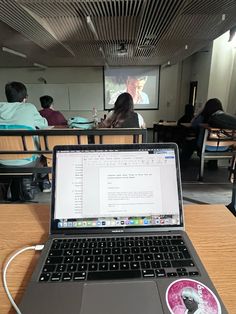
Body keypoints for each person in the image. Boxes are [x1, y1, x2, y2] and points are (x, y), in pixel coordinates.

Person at [0, 82, 50, 195]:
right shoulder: (29, 108)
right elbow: (44, 125)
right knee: (45, 151)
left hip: (2, 158)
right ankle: (45, 182)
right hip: (27, 158)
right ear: (24, 98)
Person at [180, 98, 225, 165]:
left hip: (206, 146)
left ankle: (182, 163)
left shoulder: (203, 117)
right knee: (213, 141)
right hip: (223, 147)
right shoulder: (224, 119)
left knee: (190, 142)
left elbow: (193, 124)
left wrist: (199, 113)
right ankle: (213, 164)